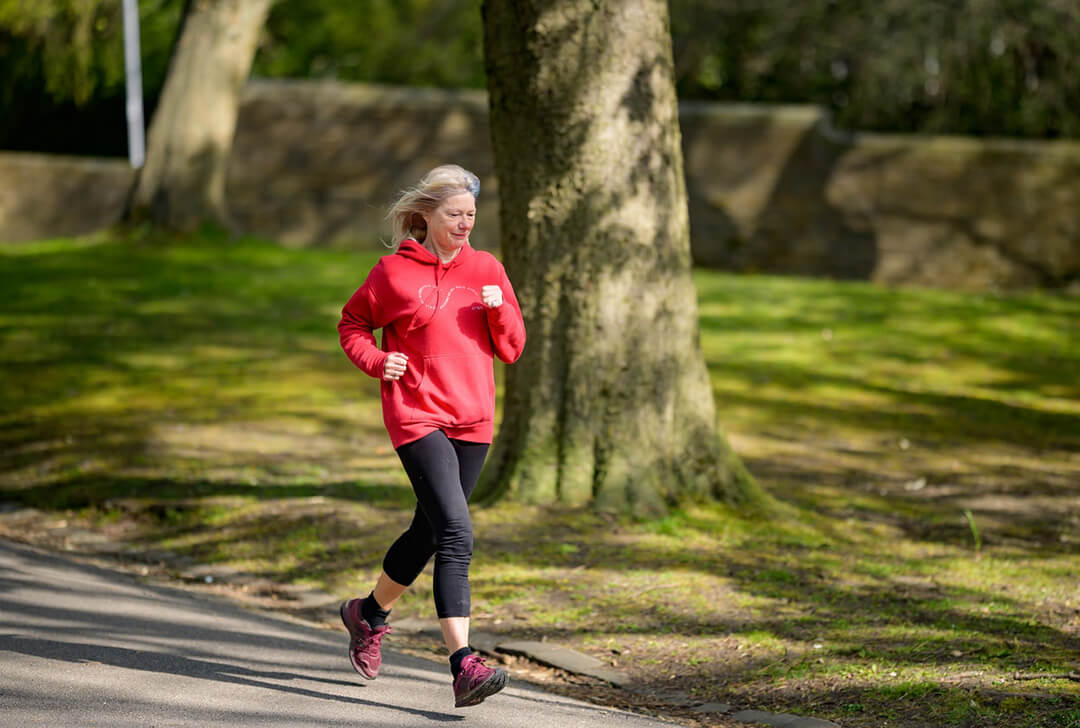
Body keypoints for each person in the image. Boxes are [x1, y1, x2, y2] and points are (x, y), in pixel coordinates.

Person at [336, 164, 526, 708]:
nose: (465, 223)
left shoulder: (488, 268)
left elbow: (512, 348)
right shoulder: (393, 273)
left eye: (470, 214)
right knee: (456, 534)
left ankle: (368, 613)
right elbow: (352, 323)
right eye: (454, 214)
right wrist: (377, 360)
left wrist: (499, 310)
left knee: (428, 531)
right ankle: (464, 663)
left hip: (473, 419)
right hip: (417, 415)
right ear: (426, 214)